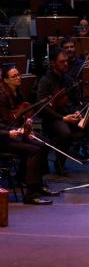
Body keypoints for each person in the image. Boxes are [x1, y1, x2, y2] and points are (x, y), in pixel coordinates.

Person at [36, 48, 89, 175]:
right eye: (62, 62)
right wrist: (63, 118)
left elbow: (78, 101)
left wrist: (78, 112)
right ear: (53, 63)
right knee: (65, 132)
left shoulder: (69, 80)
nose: (66, 64)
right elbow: (42, 107)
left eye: (66, 61)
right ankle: (59, 164)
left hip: (72, 117)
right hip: (55, 119)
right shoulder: (45, 81)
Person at [0, 67, 52, 205]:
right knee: (34, 150)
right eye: (14, 76)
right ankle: (31, 194)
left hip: (14, 133)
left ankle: (35, 182)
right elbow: (5, 123)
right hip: (3, 138)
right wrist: (10, 132)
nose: (18, 78)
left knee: (44, 143)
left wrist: (26, 123)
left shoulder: (18, 93)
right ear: (5, 80)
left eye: (19, 75)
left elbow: (19, 117)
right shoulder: (1, 97)